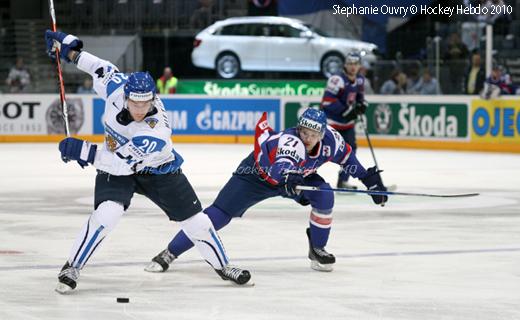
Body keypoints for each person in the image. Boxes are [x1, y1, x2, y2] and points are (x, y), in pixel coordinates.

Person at [45, 30, 251, 293]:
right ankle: (72, 266)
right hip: (116, 163)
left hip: (159, 170)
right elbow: (99, 68)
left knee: (198, 223)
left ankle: (224, 266)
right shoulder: (116, 87)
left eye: (146, 104)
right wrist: (68, 50)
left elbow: (119, 164)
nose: (140, 110)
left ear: (154, 98)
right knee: (108, 213)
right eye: (135, 103)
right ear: (125, 96)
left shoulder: (155, 133)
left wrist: (83, 150)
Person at [145, 109, 388, 273]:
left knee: (324, 194)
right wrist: (288, 175)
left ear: (322, 134)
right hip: (256, 176)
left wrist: (369, 180)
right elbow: (282, 166)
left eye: (313, 134)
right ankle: (169, 253)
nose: (307, 138)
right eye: (304, 132)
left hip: (294, 180)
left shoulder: (332, 142)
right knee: (217, 215)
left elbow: (349, 161)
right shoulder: (290, 142)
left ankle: (317, 249)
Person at [320, 52, 367, 189]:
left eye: (355, 64)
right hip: (331, 123)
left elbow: (359, 97)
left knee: (350, 152)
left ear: (359, 66)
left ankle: (342, 180)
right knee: (321, 151)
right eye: (350, 63)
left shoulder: (360, 80)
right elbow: (327, 101)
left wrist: (361, 105)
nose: (353, 67)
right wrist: (345, 111)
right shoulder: (337, 80)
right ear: (345, 65)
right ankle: (301, 175)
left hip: (347, 124)